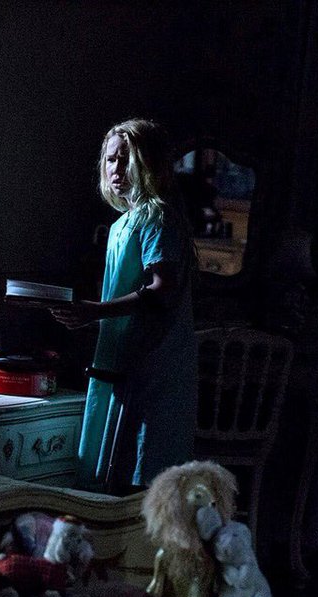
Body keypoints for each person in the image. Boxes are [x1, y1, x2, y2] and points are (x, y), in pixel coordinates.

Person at [50, 119, 197, 490]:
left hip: (154, 359)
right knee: (114, 459)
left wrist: (96, 311)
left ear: (148, 164)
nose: (116, 168)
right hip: (121, 355)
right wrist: (93, 315)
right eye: (111, 160)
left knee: (142, 468)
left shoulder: (157, 218)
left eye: (125, 159)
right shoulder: (122, 224)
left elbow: (161, 289)